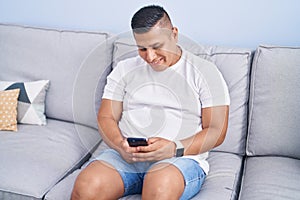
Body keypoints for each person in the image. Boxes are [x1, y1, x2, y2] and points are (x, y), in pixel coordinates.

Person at [71, 5, 230, 200]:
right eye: (142, 49)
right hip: (127, 158)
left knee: (159, 186)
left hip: (179, 159)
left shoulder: (205, 72)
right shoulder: (124, 69)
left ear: (174, 34)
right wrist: (120, 146)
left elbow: (216, 130)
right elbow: (106, 116)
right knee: (86, 187)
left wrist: (174, 148)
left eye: (156, 46)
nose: (150, 57)